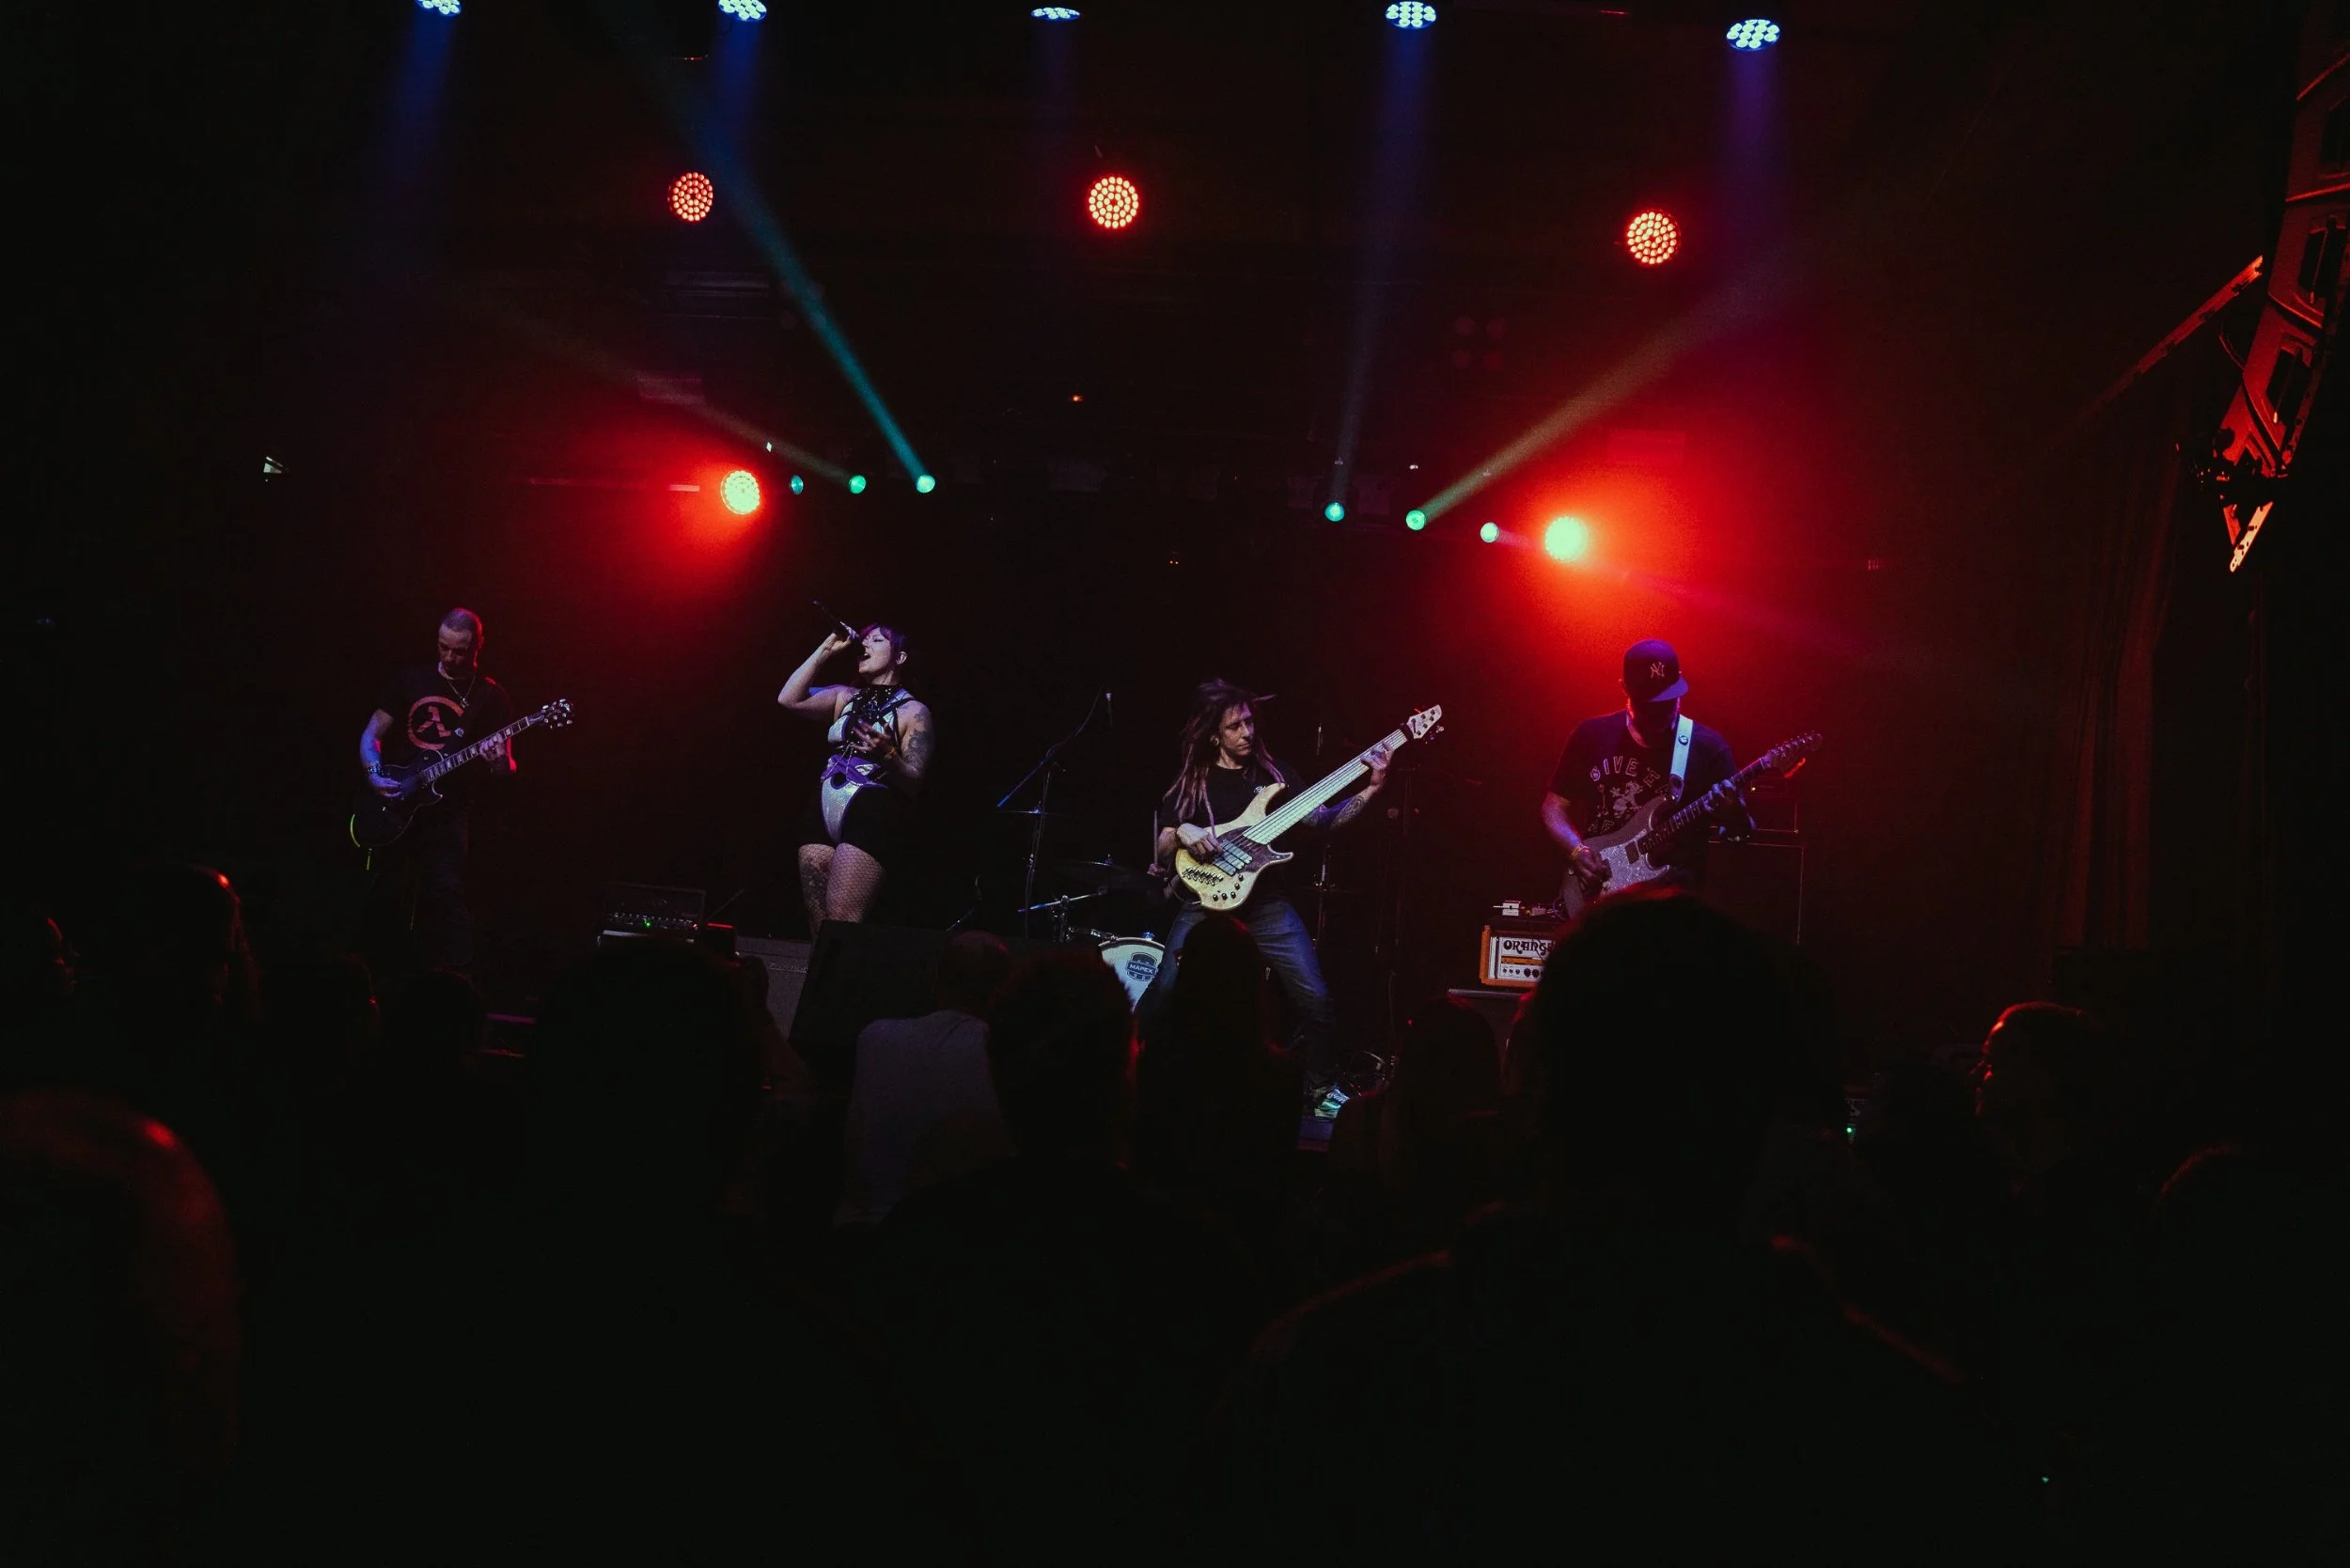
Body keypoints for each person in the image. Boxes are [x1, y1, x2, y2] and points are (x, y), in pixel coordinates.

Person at [1139, 680, 1388, 1082]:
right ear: (1215, 735)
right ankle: (1129, 1067)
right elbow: (1163, 846)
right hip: (1204, 898)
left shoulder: (1276, 774)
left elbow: (1324, 820)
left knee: (1316, 999)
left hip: (1266, 903)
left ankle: (1321, 1087)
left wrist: (1373, 788)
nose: (1247, 732)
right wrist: (1183, 829)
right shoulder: (1195, 779)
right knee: (1166, 988)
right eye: (1235, 726)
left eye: (1249, 722)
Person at [1133, 912, 1305, 1247]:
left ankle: (1327, 1085)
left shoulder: (1158, 1063)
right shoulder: (1283, 1076)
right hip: (1246, 1246)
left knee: (1315, 997)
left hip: (1157, 1236)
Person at [358, 608, 514, 971]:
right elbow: (371, 735)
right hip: (398, 802)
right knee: (383, 894)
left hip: (448, 813)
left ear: (478, 646)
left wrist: (498, 763)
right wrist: (374, 774)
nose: (449, 657)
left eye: (460, 651)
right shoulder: (412, 680)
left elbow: (506, 767)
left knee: (445, 899)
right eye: (443, 647)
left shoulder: (492, 697)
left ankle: (452, 981)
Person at [1540, 637, 1750, 897]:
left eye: (1668, 701)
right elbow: (1553, 808)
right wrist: (1577, 851)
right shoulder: (1591, 736)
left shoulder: (1709, 747)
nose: (1659, 712)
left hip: (1674, 903)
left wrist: (1734, 813)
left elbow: (1741, 834)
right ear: (1624, 688)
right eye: (1649, 705)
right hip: (1600, 895)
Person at [836, 931, 1017, 1226]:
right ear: (1001, 993)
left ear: (935, 980)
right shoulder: (1004, 1054)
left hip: (857, 1234)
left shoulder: (874, 1038)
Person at [777, 623, 933, 933]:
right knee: (818, 923)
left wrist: (890, 756)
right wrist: (826, 649)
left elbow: (915, 781)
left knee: (842, 922)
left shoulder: (914, 711)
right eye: (864, 640)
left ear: (899, 657)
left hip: (870, 811)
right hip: (823, 805)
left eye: (877, 640)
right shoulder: (843, 696)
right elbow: (788, 698)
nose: (866, 645)